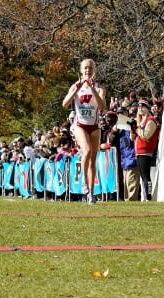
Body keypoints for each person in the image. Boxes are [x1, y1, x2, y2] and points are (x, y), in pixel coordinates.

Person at [62, 58, 106, 204]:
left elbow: (102, 107)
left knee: (93, 159)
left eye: (90, 68)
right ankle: (83, 182)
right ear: (81, 71)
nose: (88, 71)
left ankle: (91, 194)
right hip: (80, 124)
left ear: (94, 71)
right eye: (85, 68)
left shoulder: (100, 88)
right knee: (86, 151)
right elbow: (65, 104)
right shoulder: (75, 86)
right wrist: (75, 89)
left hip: (94, 126)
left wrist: (92, 88)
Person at [135, 98, 159, 201]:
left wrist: (136, 129)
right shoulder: (140, 121)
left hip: (146, 151)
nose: (140, 108)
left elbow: (146, 135)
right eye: (139, 107)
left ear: (147, 108)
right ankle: (145, 197)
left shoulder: (151, 120)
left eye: (143, 106)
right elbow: (134, 137)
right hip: (139, 151)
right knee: (143, 176)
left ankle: (149, 197)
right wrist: (133, 128)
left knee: (146, 176)